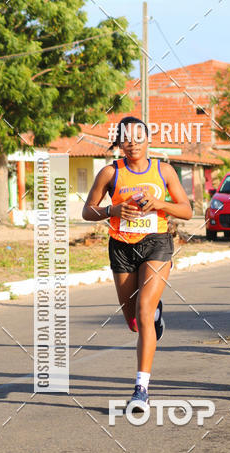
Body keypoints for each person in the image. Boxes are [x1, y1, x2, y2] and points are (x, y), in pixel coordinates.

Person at [82, 116, 192, 410]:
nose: (132, 143)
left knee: (143, 310)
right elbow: (87, 211)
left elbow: (187, 210)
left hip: (156, 243)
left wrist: (159, 204)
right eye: (126, 138)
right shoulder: (109, 173)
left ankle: (141, 388)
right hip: (121, 247)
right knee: (134, 321)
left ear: (148, 141)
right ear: (119, 143)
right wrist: (112, 209)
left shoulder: (163, 170)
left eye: (138, 137)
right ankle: (154, 317)